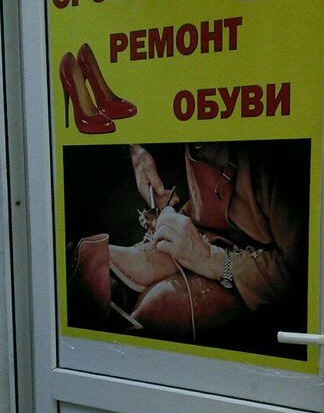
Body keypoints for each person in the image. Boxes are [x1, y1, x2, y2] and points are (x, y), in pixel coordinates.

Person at [69, 139, 309, 343]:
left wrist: (212, 259)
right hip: (203, 228)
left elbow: (301, 275)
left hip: (258, 262)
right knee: (101, 273)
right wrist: (137, 148)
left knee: (157, 308)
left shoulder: (279, 160)